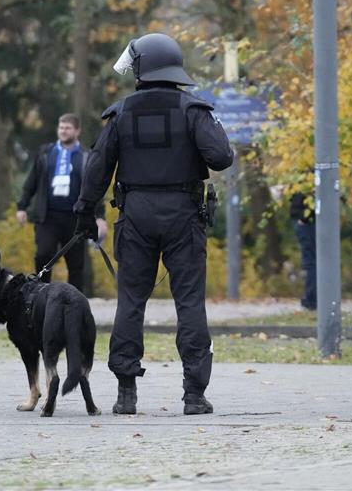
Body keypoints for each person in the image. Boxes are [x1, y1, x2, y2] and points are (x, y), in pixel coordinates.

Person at [73, 33, 233, 416]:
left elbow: (97, 168)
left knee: (131, 301)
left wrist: (84, 210)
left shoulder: (120, 114)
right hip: (183, 214)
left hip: (136, 215)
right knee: (189, 302)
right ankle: (194, 395)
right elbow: (221, 157)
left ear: (143, 68)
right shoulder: (193, 110)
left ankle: (126, 393)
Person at [15, 114, 106, 295]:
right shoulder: (45, 153)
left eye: (67, 128)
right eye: (61, 127)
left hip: (75, 218)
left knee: (76, 263)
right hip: (47, 216)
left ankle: (75, 301)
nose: (63, 131)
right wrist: (22, 207)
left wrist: (100, 217)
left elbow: (94, 188)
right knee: (43, 255)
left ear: (77, 131)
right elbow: (31, 182)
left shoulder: (86, 157)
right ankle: (40, 296)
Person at [289, 192, 316, 311]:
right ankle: (313, 299)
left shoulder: (305, 187)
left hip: (308, 225)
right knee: (314, 263)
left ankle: (311, 300)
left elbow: (296, 208)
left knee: (311, 264)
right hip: (310, 224)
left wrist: (303, 218)